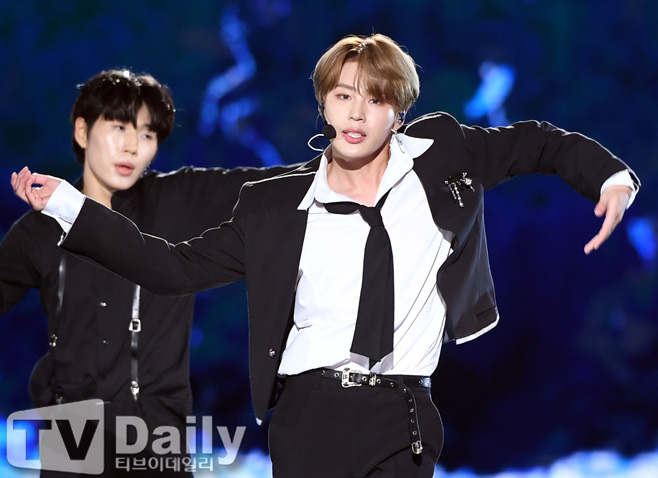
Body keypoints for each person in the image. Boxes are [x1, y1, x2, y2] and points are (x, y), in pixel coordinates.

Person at [13, 34, 640, 477]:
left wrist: (610, 176)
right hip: (308, 416)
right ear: (324, 105)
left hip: (405, 412)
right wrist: (70, 207)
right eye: (343, 96)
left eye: (375, 98)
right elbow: (169, 267)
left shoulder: (444, 158)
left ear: (398, 111)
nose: (357, 113)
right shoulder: (275, 207)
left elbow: (536, 143)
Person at [2, 69, 291, 477]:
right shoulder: (38, 229)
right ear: (83, 131)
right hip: (71, 444)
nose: (132, 146)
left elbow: (276, 186)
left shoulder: (180, 200)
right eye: (119, 127)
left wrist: (357, 156)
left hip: (157, 443)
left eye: (148, 134)